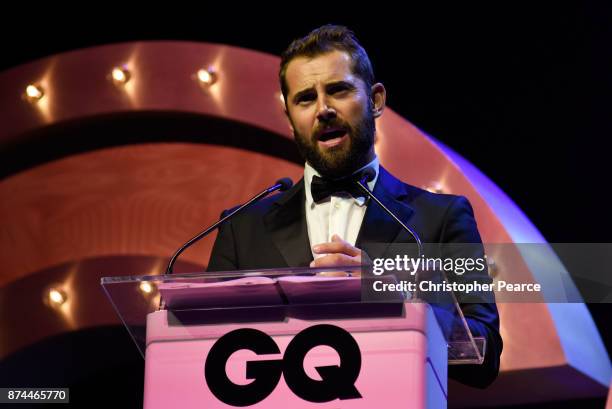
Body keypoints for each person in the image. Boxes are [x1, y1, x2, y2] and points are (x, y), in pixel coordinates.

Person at [208, 24, 502, 388]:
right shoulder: (241, 228)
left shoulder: (442, 217)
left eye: (338, 90)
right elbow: (204, 350)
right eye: (305, 99)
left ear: (376, 100)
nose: (323, 109)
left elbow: (484, 355)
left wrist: (393, 294)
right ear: (289, 118)